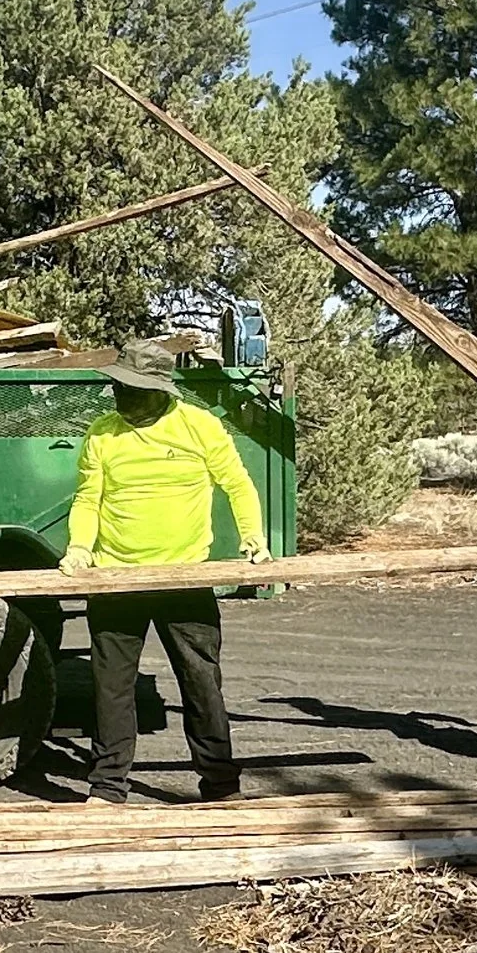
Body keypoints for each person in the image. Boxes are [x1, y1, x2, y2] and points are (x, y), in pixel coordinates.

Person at [58, 339, 272, 805]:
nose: (121, 395)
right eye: (118, 386)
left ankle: (220, 785)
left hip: (183, 576)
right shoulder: (102, 434)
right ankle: (107, 789)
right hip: (116, 578)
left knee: (201, 682)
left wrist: (253, 538)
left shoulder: (199, 426)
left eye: (132, 388)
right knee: (111, 688)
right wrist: (79, 548)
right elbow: (88, 500)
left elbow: (237, 484)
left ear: (159, 390)